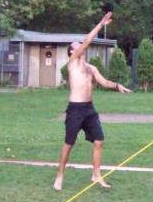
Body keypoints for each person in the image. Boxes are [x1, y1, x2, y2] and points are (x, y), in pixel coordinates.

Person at [53, 12, 132, 191]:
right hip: (75, 110)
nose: (80, 46)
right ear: (72, 52)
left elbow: (104, 82)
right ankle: (60, 175)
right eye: (76, 46)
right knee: (69, 144)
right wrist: (101, 24)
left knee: (99, 141)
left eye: (79, 45)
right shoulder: (72, 63)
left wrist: (117, 85)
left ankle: (96, 175)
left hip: (89, 110)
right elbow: (88, 40)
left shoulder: (91, 68)